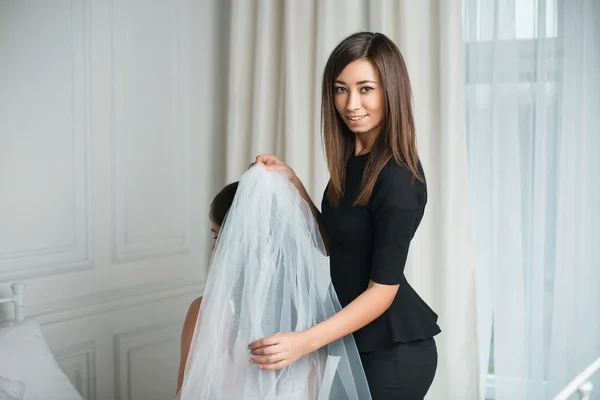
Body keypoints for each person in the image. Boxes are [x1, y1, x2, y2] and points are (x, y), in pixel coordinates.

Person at [248, 31, 441, 399]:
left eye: (366, 88)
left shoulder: (399, 178)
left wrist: (302, 342)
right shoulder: (354, 162)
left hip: (394, 353)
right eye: (341, 89)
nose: (351, 103)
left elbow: (382, 292)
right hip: (358, 344)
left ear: (391, 91)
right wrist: (294, 184)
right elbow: (332, 242)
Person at [176, 181, 238, 394]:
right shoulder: (314, 317)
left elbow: (184, 394)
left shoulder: (204, 311)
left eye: (217, 236)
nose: (214, 247)